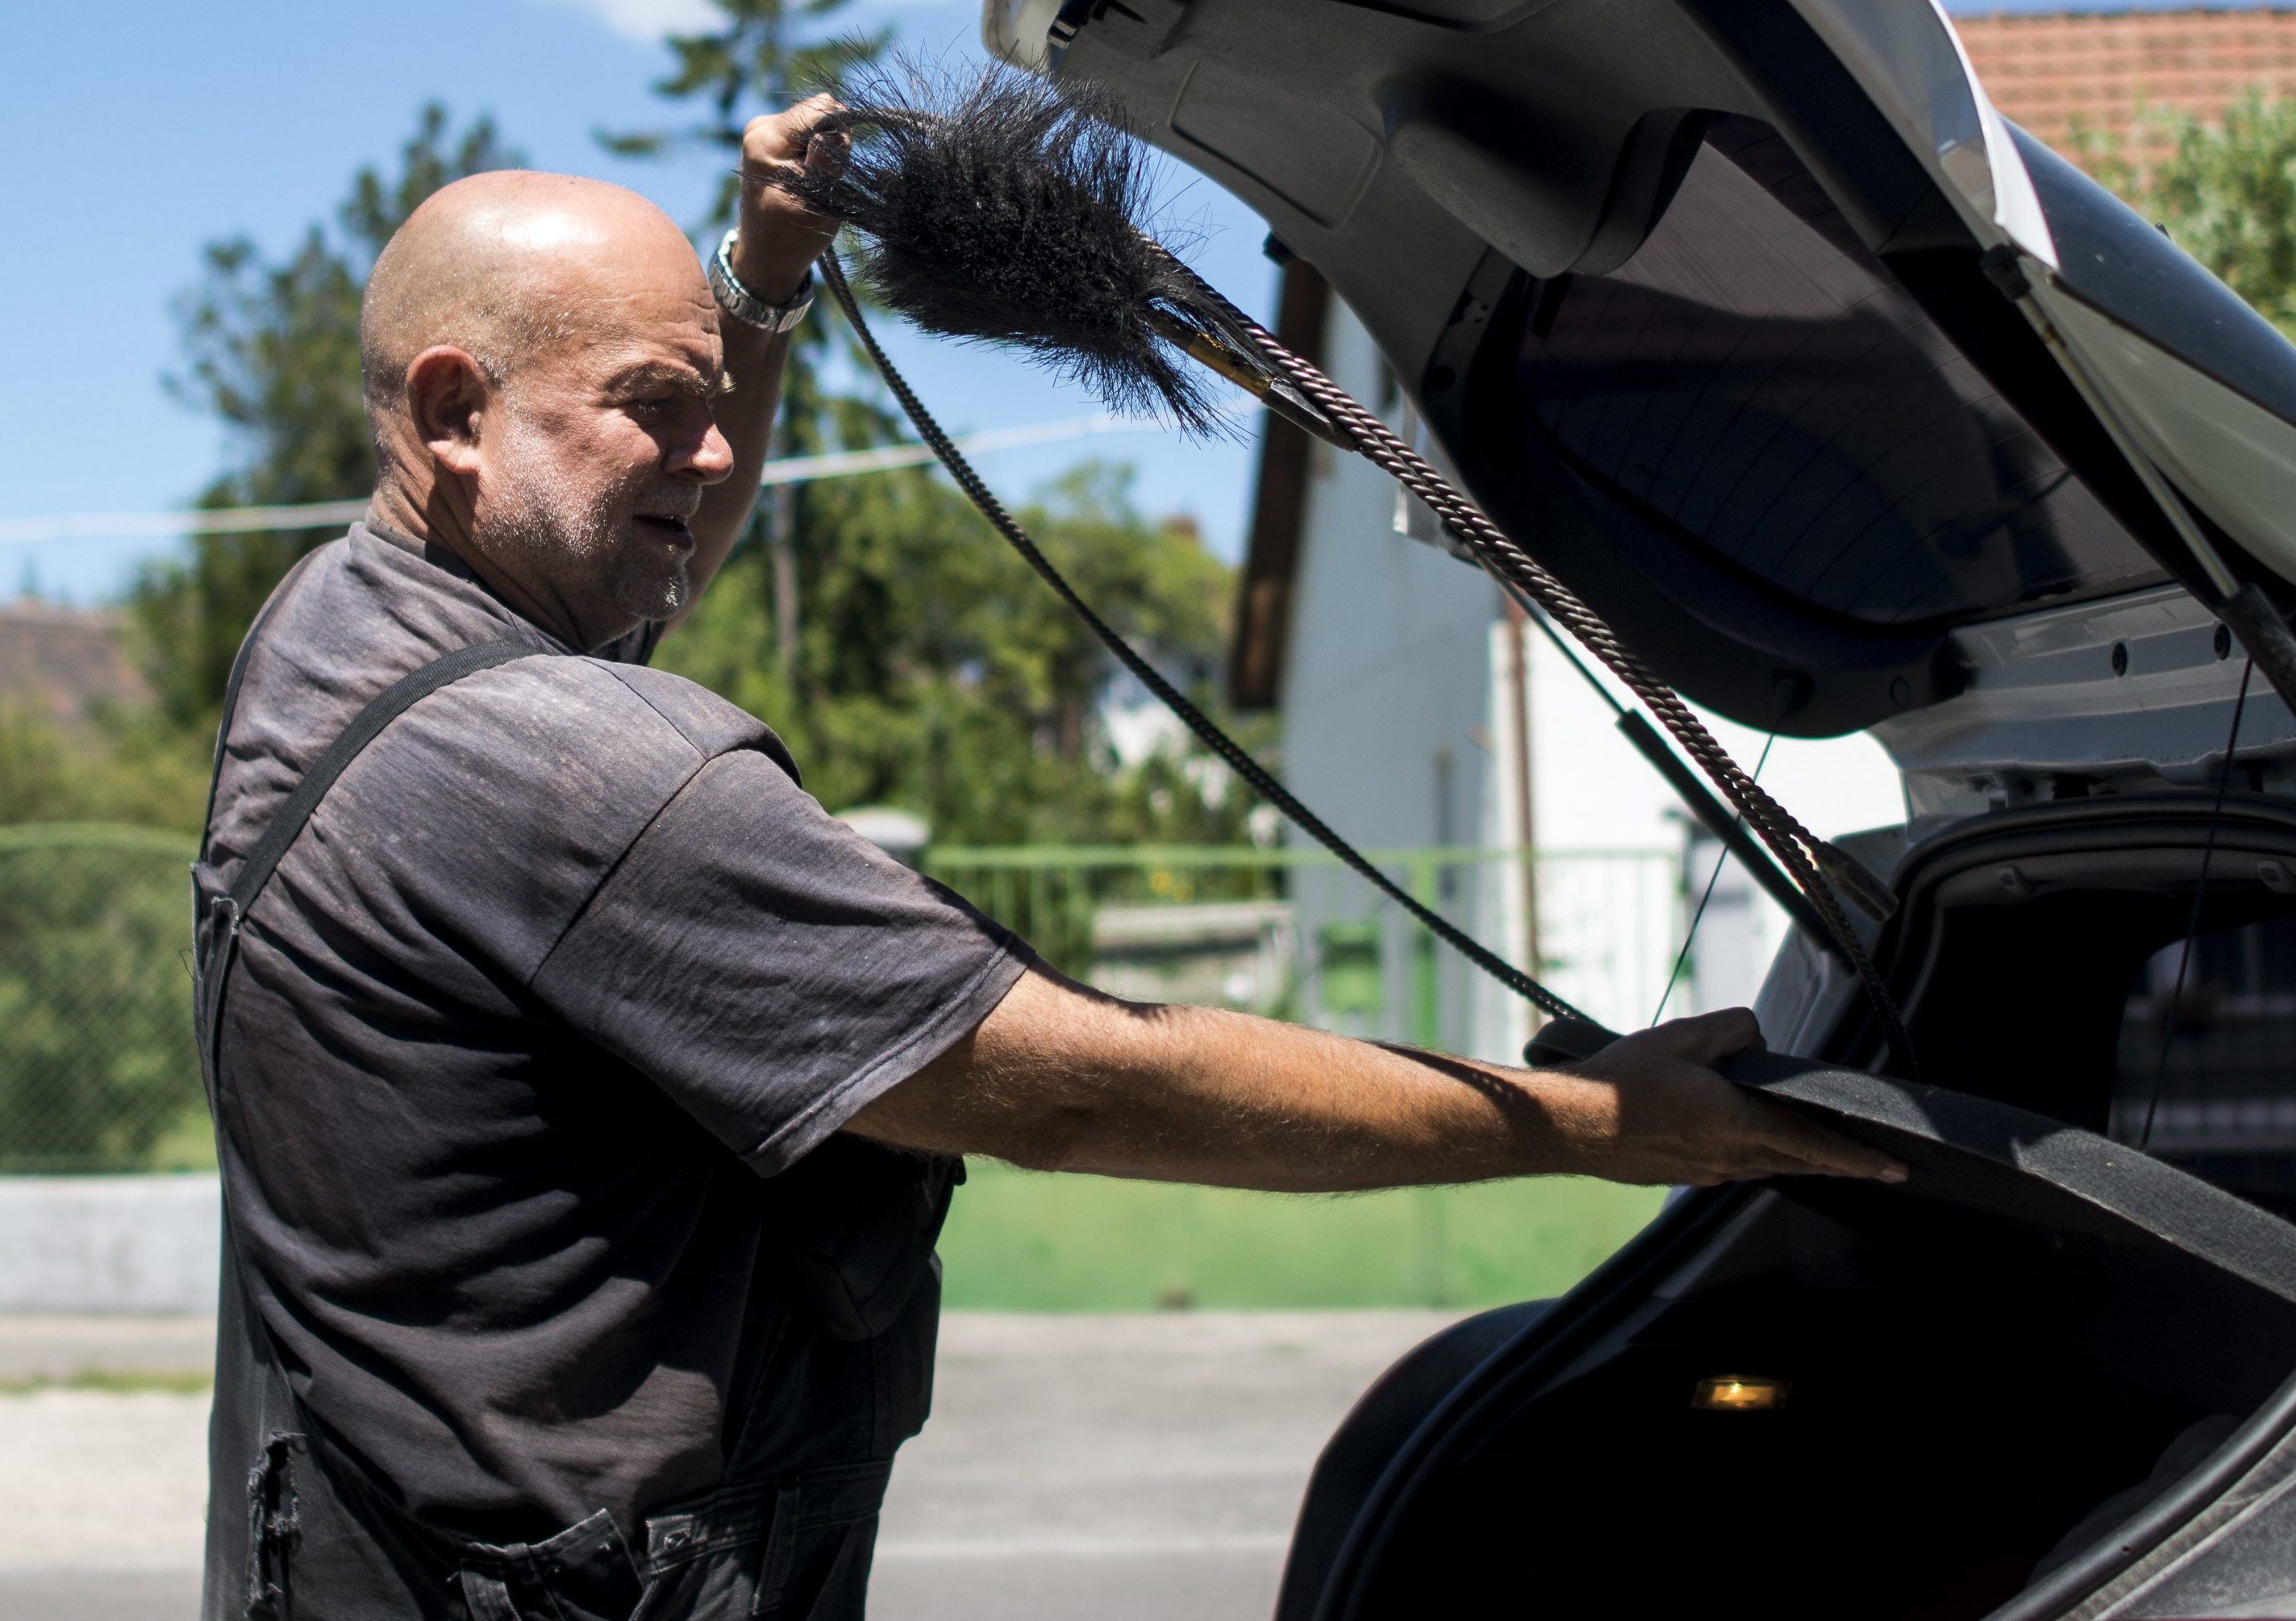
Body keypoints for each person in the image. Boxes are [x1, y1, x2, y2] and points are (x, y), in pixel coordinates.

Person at [192, 94, 1902, 1621]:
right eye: (656, 401)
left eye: (718, 402)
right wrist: (1608, 1125)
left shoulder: (338, 644)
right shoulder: (582, 774)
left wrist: (761, 286)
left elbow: (641, 548)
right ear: (454, 408)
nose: (711, 457)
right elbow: (1073, 1087)